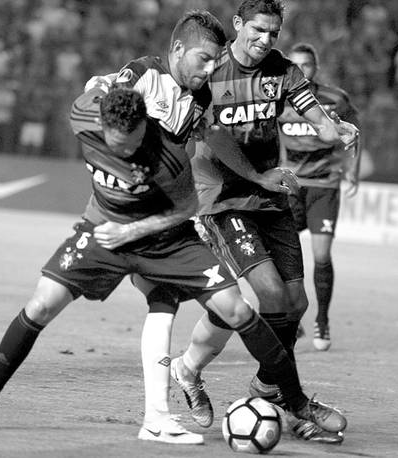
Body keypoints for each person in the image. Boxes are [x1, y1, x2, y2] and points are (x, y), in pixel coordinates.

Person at [84, 9, 311, 442]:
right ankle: (172, 413)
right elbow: (103, 94)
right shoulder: (145, 74)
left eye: (213, 61)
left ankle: (185, 378)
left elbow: (213, 133)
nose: (208, 70)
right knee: (166, 301)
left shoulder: (200, 95)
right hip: (138, 211)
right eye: (204, 60)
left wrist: (261, 174)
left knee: (230, 304)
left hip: (172, 212)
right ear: (178, 50)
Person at [146, 0, 358, 433]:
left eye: (273, 33)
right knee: (271, 296)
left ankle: (230, 377)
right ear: (238, 25)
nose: (265, 40)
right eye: (258, 30)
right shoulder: (211, 68)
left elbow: (315, 116)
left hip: (269, 194)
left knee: (293, 303)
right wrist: (258, 176)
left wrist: (337, 130)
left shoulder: (282, 71)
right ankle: (292, 399)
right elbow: (214, 137)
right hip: (223, 200)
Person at [278, 42, 362, 351]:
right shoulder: (278, 98)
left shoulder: (335, 98)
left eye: (308, 65)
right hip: (291, 185)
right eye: (296, 65)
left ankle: (322, 320)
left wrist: (352, 169)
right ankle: (291, 316)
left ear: (316, 67)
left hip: (324, 185)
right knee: (278, 255)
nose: (302, 70)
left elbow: (355, 130)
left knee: (322, 256)